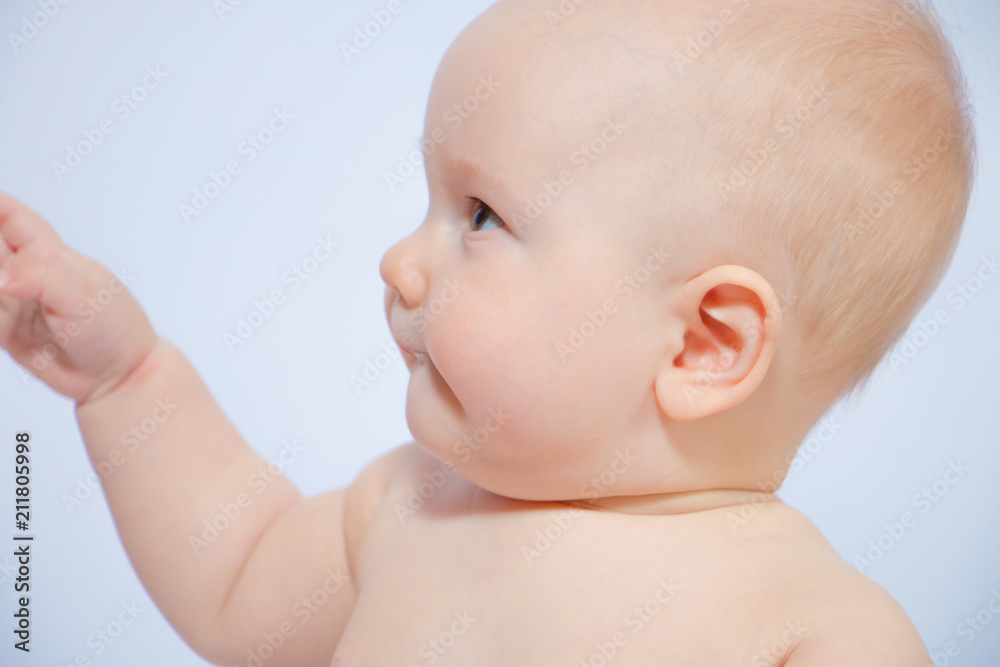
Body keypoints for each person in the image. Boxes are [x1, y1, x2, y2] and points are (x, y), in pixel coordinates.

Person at [0, 0, 974, 663]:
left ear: (702, 345)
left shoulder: (815, 630)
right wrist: (127, 381)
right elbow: (238, 575)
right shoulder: (406, 510)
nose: (398, 261)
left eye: (479, 215)